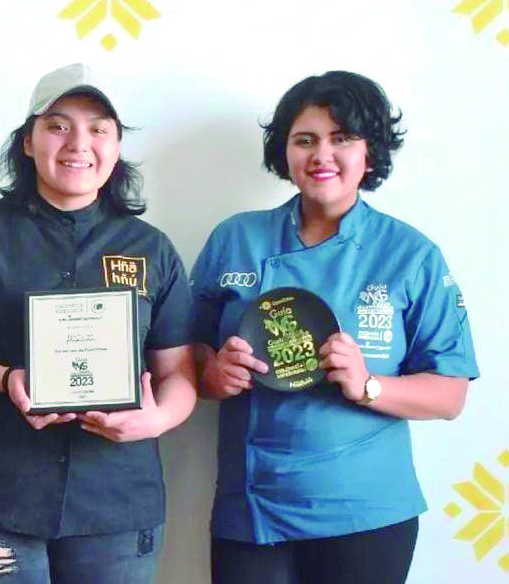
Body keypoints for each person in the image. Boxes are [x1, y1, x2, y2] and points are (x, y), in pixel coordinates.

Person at [0, 63, 197, 583]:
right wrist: (5, 379)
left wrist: (156, 420)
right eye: (58, 125)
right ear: (27, 141)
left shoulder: (151, 249)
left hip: (117, 509)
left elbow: (181, 374)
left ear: (116, 144)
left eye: (99, 128)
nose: (78, 143)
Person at [191, 70, 478, 584]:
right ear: (286, 152)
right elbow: (184, 348)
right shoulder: (236, 239)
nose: (322, 155)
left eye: (341, 138)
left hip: (364, 512)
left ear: (371, 152)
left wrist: (367, 384)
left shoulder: (411, 254)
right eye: (305, 140)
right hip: (252, 512)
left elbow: (450, 394)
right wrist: (214, 375)